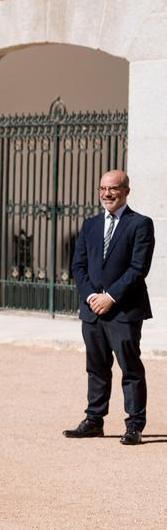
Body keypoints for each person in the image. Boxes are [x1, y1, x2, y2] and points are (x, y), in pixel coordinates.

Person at [64, 170, 154, 445]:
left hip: (124, 311)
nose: (107, 193)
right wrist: (92, 296)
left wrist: (110, 297)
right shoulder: (90, 225)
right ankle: (94, 420)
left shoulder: (140, 224)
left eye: (113, 188)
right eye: (103, 188)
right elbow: (78, 266)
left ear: (126, 191)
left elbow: (138, 268)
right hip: (92, 310)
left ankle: (134, 425)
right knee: (96, 368)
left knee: (130, 368)